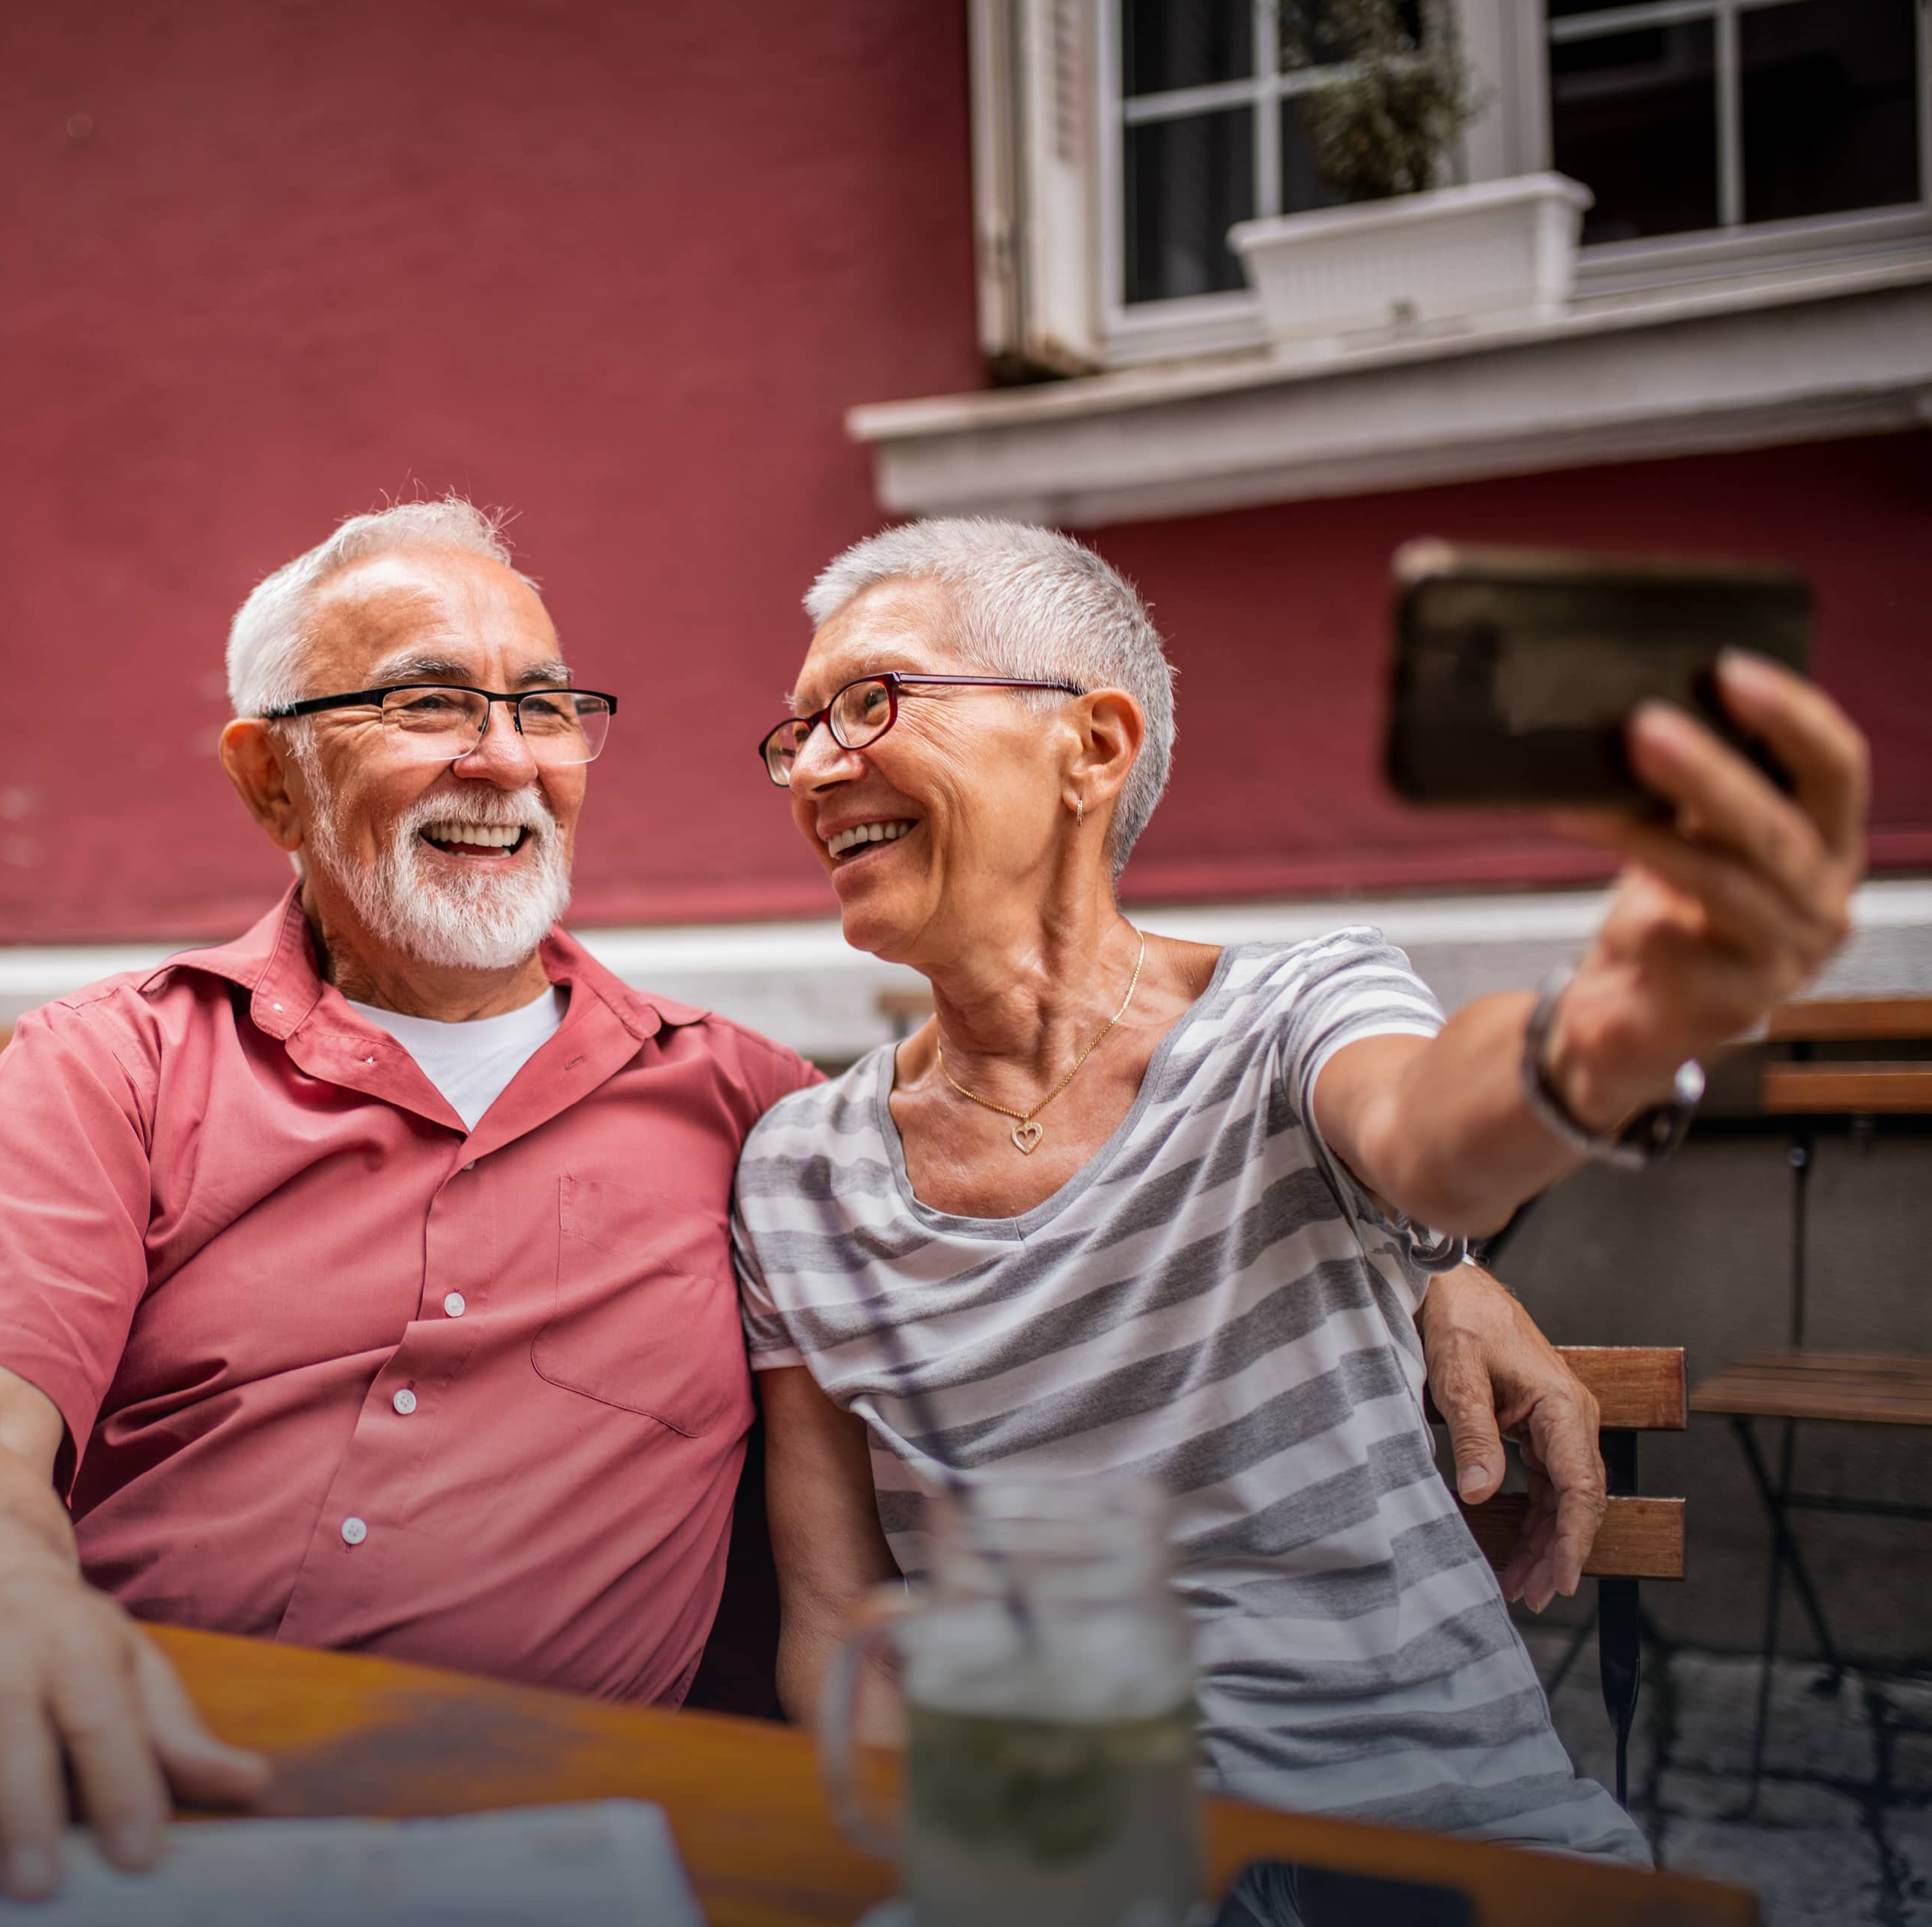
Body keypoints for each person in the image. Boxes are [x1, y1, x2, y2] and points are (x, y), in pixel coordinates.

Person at [0, 499, 1616, 1898]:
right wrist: (6, 1613)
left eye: (545, 706)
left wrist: (1430, 1254)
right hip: (141, 1786)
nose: (504, 755)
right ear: (266, 773)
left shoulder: (742, 1108)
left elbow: (1316, 1125)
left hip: (553, 1848)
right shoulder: (116, 1061)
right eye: (429, 702)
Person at [736, 518, 1866, 1861]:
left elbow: (1430, 1131)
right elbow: (831, 1623)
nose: (813, 767)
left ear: (1091, 745)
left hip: (1426, 1842)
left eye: (868, 703)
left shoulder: (1293, 1010)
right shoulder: (802, 1173)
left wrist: (1592, 1047)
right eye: (794, 732)